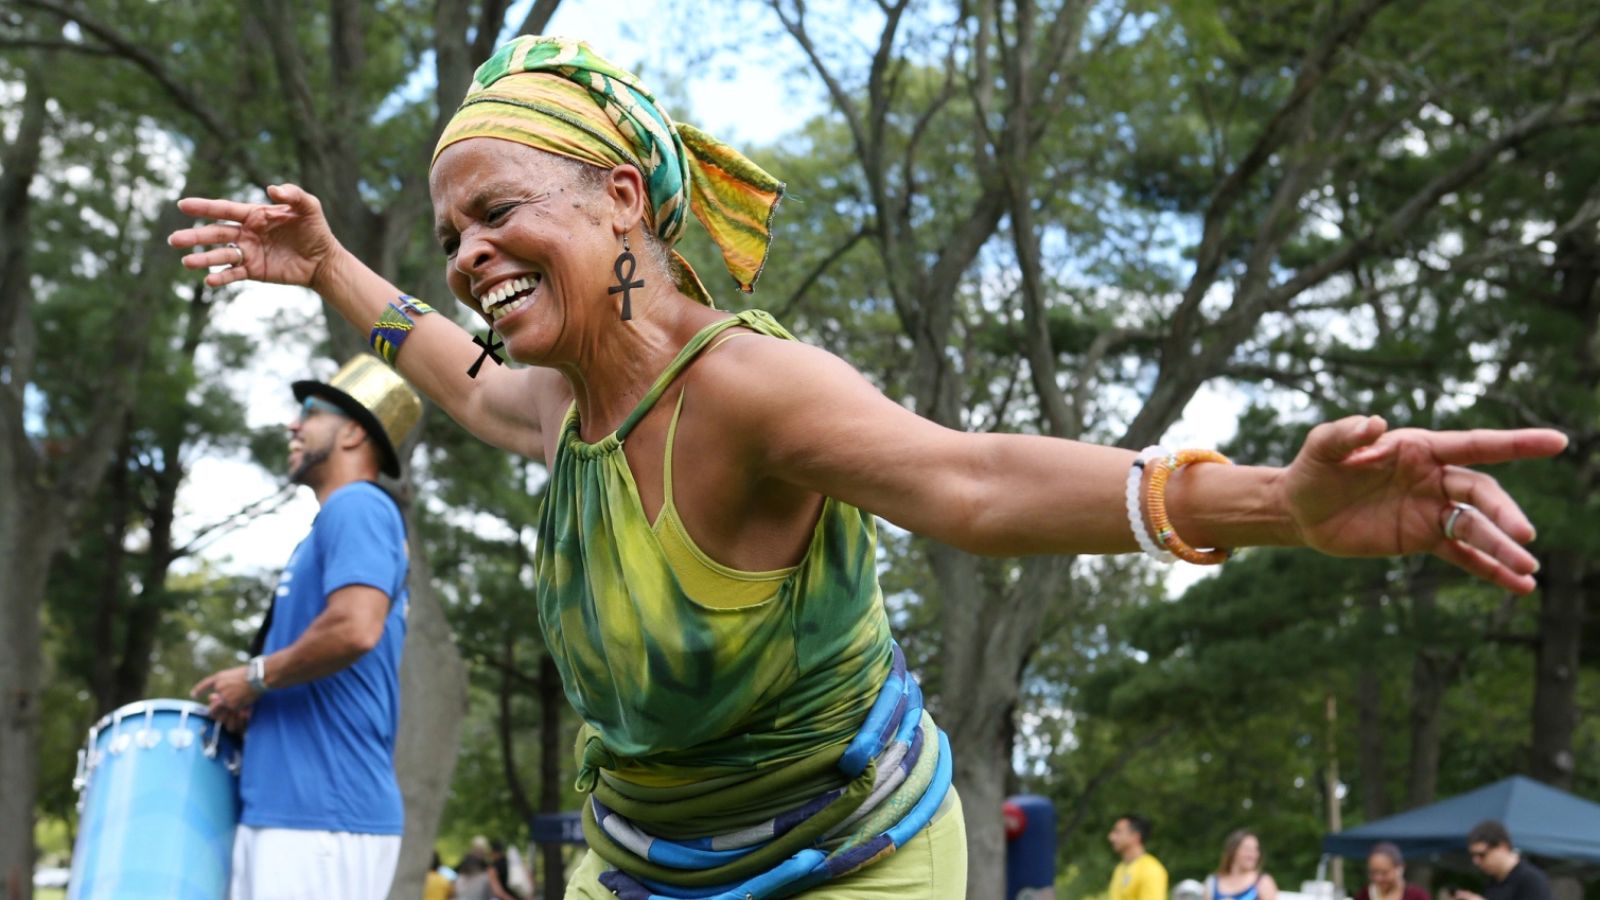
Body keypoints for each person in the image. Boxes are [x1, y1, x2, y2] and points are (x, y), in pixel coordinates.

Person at [168, 34, 1564, 899]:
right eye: (449, 231)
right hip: (644, 868)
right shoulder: (564, 405)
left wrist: (1279, 503)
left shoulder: (745, 388)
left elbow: (970, 482)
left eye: (494, 212)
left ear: (620, 200)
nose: (468, 254)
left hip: (845, 869)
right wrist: (336, 268)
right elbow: (455, 378)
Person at [190, 355, 420, 899]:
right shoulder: (323, 531)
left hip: (322, 815)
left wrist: (256, 676)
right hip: (294, 812)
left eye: (311, 412)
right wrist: (257, 703)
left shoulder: (359, 506)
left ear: (354, 432)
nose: (294, 425)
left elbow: (356, 628)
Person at [1454, 820, 1554, 900]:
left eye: (1482, 855)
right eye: (1473, 855)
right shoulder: (1493, 882)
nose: (1476, 861)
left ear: (1503, 847)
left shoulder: (1531, 879)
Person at [1108, 813, 1168, 900]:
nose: (1111, 837)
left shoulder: (1151, 870)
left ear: (1135, 836)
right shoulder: (1120, 868)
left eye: (1118, 832)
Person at [1207, 830, 1279, 900]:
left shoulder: (1263, 881)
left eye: (1256, 849)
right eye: (1247, 849)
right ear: (1233, 851)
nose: (1253, 854)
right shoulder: (1213, 882)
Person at [1355, 842, 1427, 900]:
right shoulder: (1363, 895)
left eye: (1384, 872)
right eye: (1373, 872)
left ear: (1400, 868)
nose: (1378, 878)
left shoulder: (1417, 896)